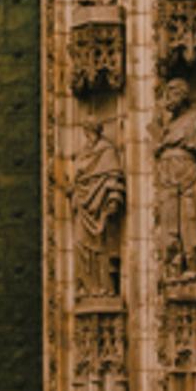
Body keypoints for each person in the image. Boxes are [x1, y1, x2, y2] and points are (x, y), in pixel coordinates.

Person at [154, 77, 196, 278]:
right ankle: (174, 268)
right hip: (168, 181)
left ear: (183, 96)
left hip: (189, 178)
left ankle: (195, 267)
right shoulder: (167, 127)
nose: (168, 99)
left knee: (190, 224)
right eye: (167, 94)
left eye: (173, 94)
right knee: (169, 227)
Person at [72, 118, 126, 297]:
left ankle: (104, 288)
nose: (87, 135)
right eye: (85, 131)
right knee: (79, 244)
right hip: (83, 204)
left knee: (101, 248)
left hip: (100, 206)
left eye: (88, 131)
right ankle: (89, 287)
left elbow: (113, 176)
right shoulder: (83, 152)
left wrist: (113, 200)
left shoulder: (107, 150)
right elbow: (78, 177)